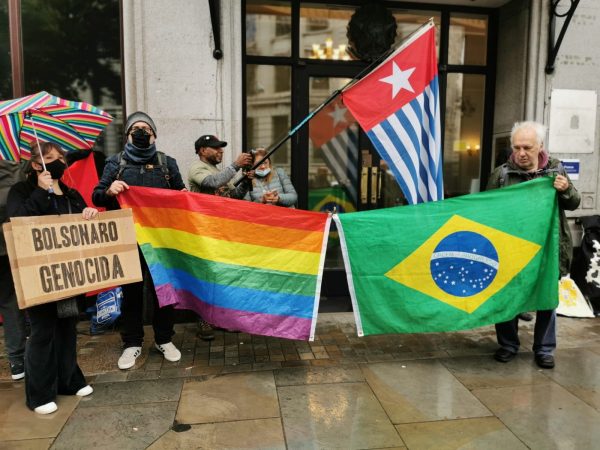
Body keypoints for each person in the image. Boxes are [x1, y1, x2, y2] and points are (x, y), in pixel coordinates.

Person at [7, 142, 96, 414]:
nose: (58, 162)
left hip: (69, 275)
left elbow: (82, 221)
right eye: (49, 159)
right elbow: (17, 222)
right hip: (39, 275)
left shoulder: (70, 192)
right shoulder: (21, 191)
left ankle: (68, 380)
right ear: (35, 165)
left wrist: (89, 214)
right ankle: (39, 393)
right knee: (43, 331)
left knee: (68, 327)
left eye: (60, 158)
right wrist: (41, 192)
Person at [92, 111, 185, 370]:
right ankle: (132, 343)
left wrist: (185, 196)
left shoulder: (168, 163)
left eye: (147, 128)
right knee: (131, 293)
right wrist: (110, 190)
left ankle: (164, 339)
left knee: (164, 292)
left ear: (154, 134)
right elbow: (96, 195)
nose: (142, 132)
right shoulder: (115, 163)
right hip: (128, 240)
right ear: (128, 135)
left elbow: (181, 194)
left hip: (161, 241)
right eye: (137, 129)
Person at [487, 120, 580, 369]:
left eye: (527, 147)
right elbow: (486, 210)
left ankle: (544, 349)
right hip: (511, 249)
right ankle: (508, 344)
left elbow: (574, 203)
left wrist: (566, 189)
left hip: (547, 249)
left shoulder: (556, 169)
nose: (521, 153)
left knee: (547, 299)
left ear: (540, 146)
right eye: (517, 147)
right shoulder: (502, 174)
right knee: (507, 296)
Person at [188, 134, 254, 340]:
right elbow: (211, 183)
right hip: (204, 231)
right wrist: (235, 165)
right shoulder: (197, 168)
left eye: (221, 147)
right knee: (205, 276)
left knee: (223, 275)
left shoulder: (221, 171)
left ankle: (222, 319)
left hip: (223, 232)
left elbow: (233, 198)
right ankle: (204, 321)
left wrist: (246, 183)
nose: (220, 151)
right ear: (201, 150)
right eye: (215, 147)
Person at [0, 159, 28, 381]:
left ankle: (18, 358)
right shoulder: (16, 168)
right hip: (13, 244)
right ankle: (18, 359)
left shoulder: (17, 169)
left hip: (11, 246)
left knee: (11, 303)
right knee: (12, 303)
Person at [188, 134, 253, 198]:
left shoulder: (220, 172)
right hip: (203, 208)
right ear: (203, 151)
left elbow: (235, 196)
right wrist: (236, 165)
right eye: (216, 148)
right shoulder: (196, 167)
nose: (221, 151)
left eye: (220, 148)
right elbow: (212, 182)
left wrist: (245, 181)